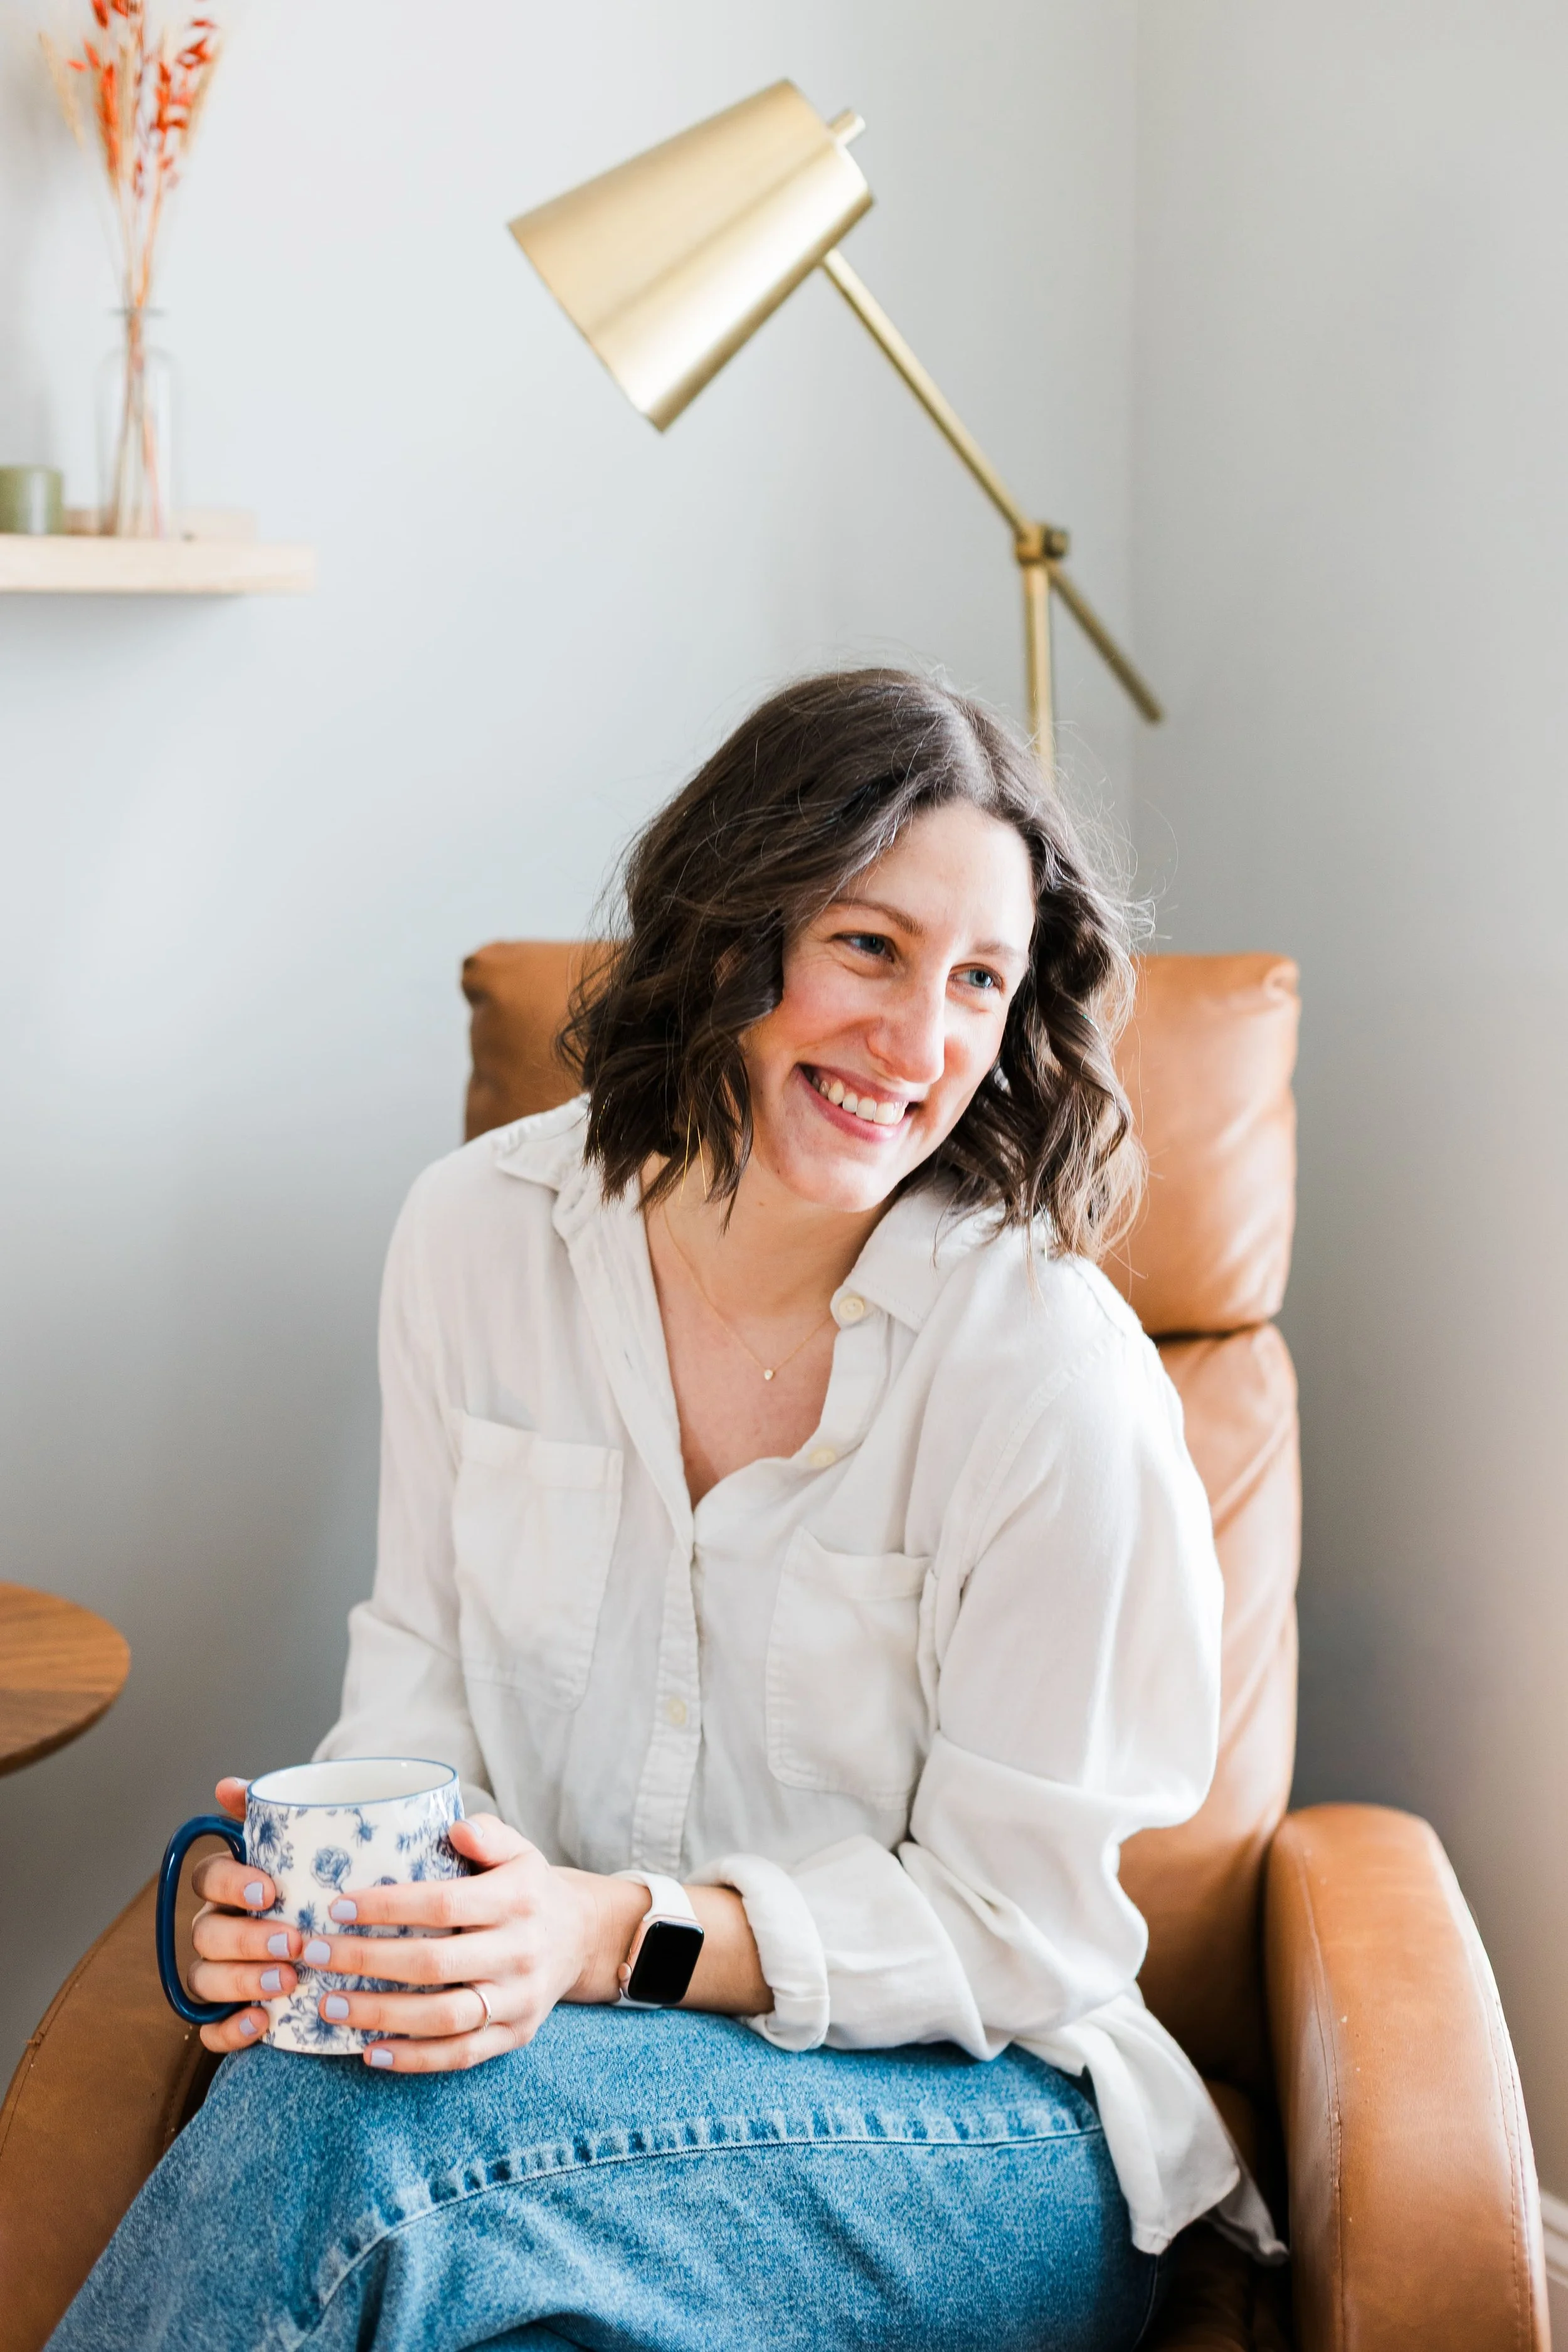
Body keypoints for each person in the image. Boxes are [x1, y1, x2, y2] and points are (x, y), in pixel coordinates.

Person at [52, 671, 1278, 2352]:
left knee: (347, 2141)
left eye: (977, 981)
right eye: (868, 947)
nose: (918, 1045)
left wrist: (606, 1931)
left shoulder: (1045, 1370)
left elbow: (1025, 1935)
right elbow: (417, 1696)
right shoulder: (473, 1238)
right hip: (554, 2087)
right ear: (725, 932)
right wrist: (313, 1917)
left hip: (983, 2130)